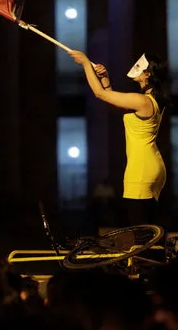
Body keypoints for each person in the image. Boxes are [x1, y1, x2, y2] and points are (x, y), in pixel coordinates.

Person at [70, 51, 171, 225]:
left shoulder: (142, 101)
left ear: (147, 74)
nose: (135, 67)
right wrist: (105, 79)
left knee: (140, 233)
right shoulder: (150, 101)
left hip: (141, 169)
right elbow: (112, 102)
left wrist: (86, 63)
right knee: (149, 229)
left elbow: (100, 94)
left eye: (140, 67)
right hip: (152, 166)